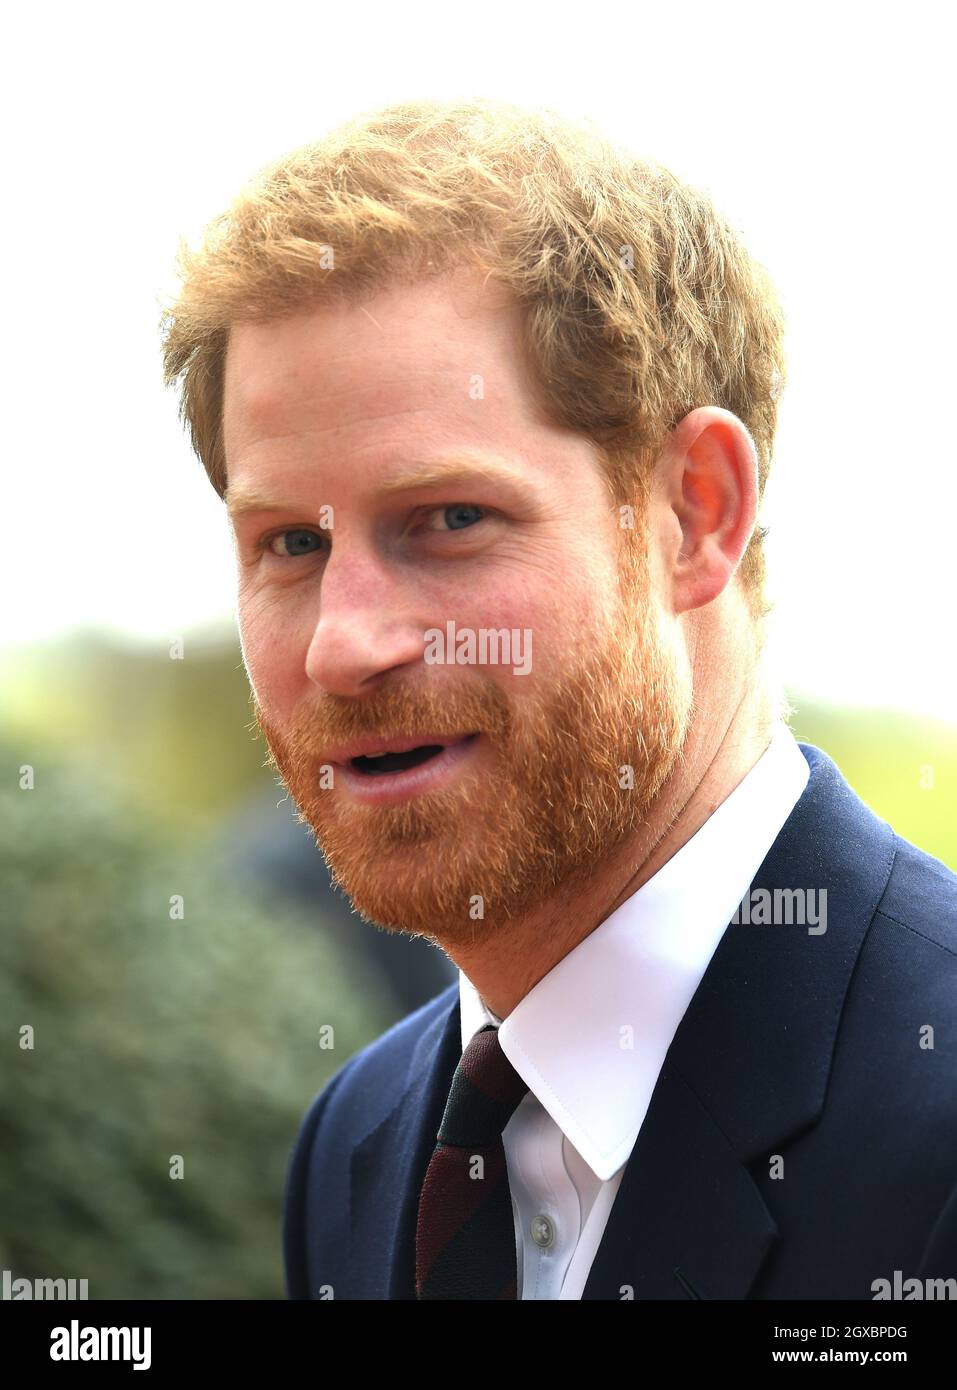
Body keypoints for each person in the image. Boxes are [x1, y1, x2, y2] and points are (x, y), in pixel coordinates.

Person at [159, 96, 957, 1300]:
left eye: (452, 519)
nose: (345, 644)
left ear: (697, 512)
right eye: (288, 545)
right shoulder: (358, 1145)